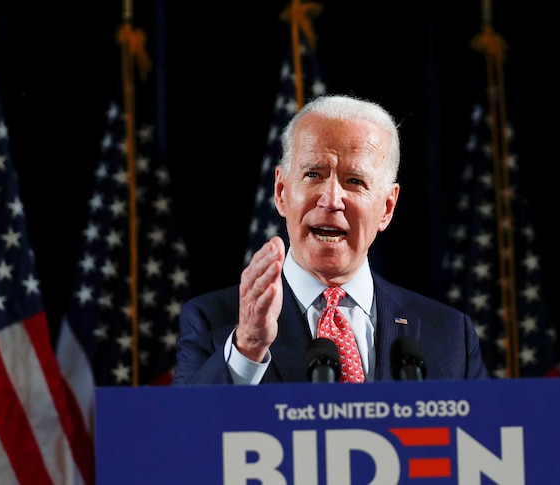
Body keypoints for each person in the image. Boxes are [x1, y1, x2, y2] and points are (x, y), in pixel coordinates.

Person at [172, 94, 488, 385]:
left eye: (354, 181)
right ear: (281, 192)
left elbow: (482, 439)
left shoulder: (449, 335)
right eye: (313, 174)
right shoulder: (214, 321)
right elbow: (185, 435)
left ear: (387, 207)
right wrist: (248, 347)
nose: (331, 198)